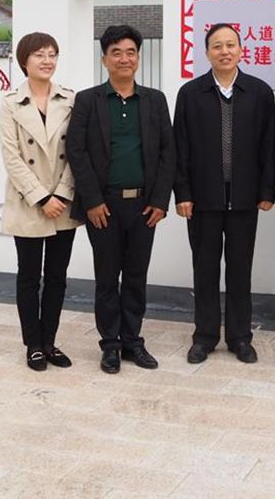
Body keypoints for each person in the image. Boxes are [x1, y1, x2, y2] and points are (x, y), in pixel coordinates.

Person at [66, 24, 175, 374]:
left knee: (136, 276)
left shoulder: (155, 100)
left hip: (144, 206)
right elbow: (76, 151)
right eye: (116, 53)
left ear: (138, 58)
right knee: (106, 277)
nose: (124, 59)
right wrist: (92, 200)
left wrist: (160, 200)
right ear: (105, 59)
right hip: (104, 206)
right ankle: (110, 344)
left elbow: (168, 152)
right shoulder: (88, 100)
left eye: (130, 52)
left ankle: (132, 340)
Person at [173, 23, 275, 365]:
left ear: (241, 50)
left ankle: (239, 337)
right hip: (203, 199)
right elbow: (180, 147)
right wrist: (183, 193)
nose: (225, 51)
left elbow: (269, 145)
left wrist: (267, 189)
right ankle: (204, 336)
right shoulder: (191, 93)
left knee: (240, 270)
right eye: (217, 46)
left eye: (231, 45)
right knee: (204, 269)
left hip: (245, 198)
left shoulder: (259, 92)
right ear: (207, 53)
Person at [0, 32, 80, 371]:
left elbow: (77, 151)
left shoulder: (71, 99)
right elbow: (12, 157)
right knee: (29, 276)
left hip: (63, 201)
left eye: (52, 54)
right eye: (39, 55)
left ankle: (50, 341)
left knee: (58, 276)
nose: (47, 61)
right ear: (24, 61)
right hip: (29, 202)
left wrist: (61, 193)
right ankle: (33, 344)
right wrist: (42, 197)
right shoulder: (10, 102)